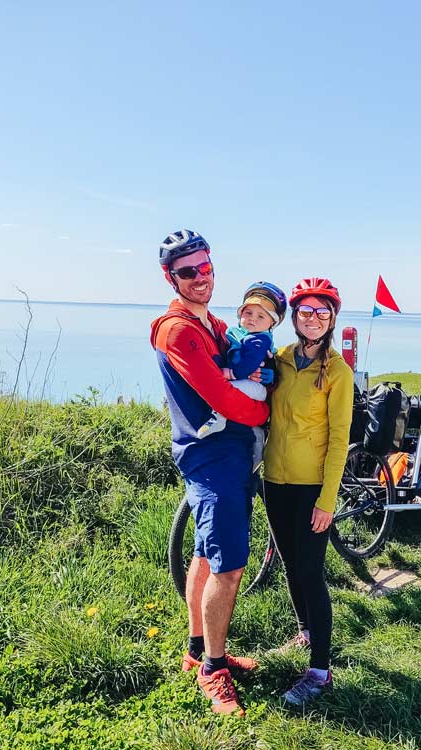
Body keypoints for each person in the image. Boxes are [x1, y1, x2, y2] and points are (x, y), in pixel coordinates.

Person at [149, 229, 271, 716]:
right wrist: (265, 415)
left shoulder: (213, 325)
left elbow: (242, 371)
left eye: (206, 267)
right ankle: (213, 670)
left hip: (229, 453)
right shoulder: (178, 330)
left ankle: (198, 649)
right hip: (213, 457)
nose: (201, 278)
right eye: (187, 272)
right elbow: (222, 399)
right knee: (229, 565)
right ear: (169, 277)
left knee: (204, 551)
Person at [262, 277, 353, 705]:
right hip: (274, 483)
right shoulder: (279, 358)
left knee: (311, 573)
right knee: (290, 564)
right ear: (294, 317)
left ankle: (320, 671)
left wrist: (327, 501)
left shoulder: (338, 372)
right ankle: (305, 633)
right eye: (305, 311)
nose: (313, 318)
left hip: (312, 487)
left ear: (332, 318)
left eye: (322, 311)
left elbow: (339, 441)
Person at [196, 282, 287, 470]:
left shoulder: (258, 339)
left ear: (271, 323)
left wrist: (230, 373)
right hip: (251, 385)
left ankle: (218, 418)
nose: (253, 319)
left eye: (261, 316)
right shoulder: (238, 334)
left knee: (227, 390)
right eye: (248, 313)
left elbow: (247, 365)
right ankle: (258, 446)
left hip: (253, 385)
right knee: (253, 430)